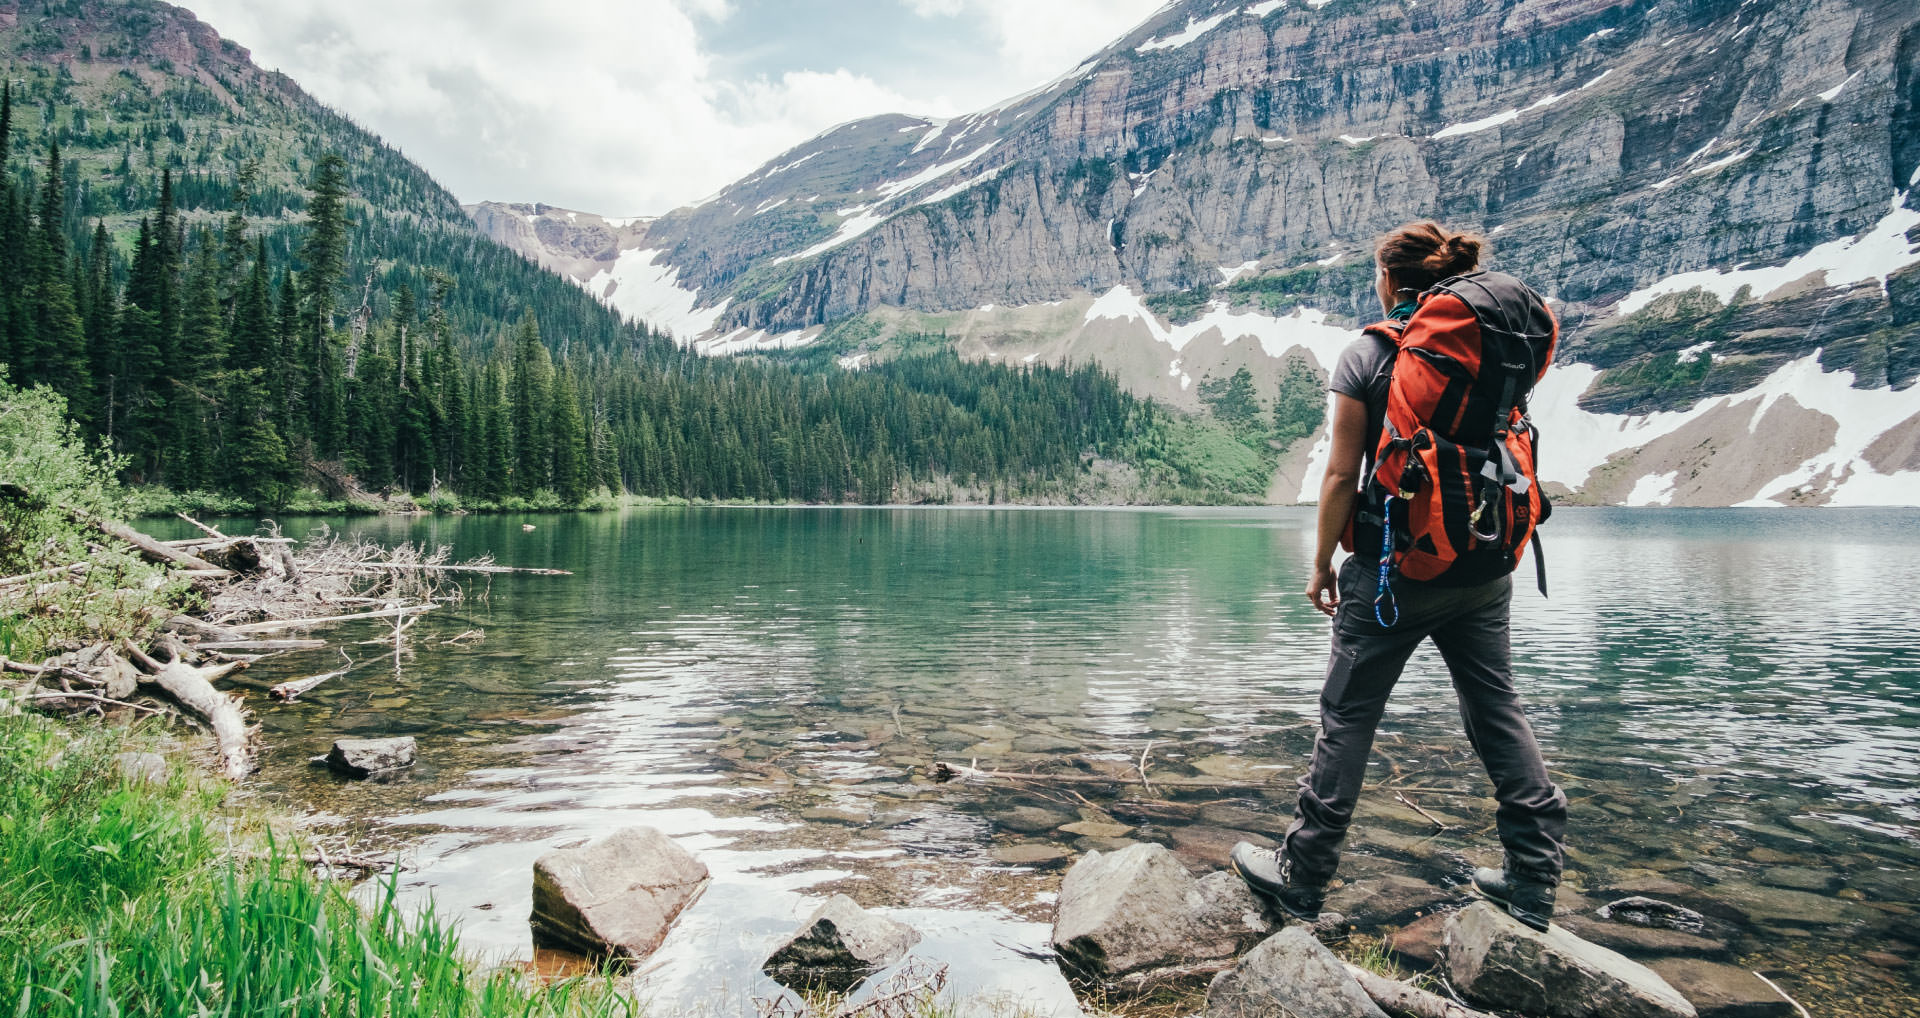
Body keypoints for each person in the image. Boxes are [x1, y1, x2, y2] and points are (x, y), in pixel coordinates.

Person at [1230, 221, 1569, 932]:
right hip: (1484, 564)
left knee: (1347, 718)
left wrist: (1322, 563)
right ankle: (1534, 881)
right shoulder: (1488, 351)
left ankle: (1303, 876)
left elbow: (1338, 477)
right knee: (1496, 708)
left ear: (1389, 280)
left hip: (1395, 571)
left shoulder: (1370, 355)